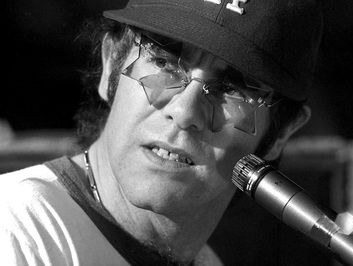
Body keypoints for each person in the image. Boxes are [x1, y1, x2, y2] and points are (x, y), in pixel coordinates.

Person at [0, 0, 323, 265]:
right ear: (112, 63)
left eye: (233, 88)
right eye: (163, 62)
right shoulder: (17, 230)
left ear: (282, 134)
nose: (184, 112)